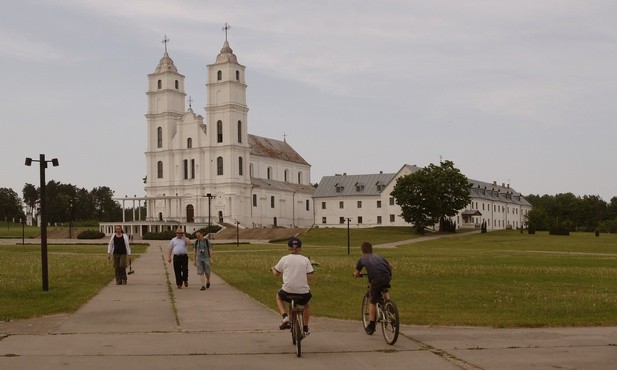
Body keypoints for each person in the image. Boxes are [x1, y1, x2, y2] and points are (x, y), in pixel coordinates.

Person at [271, 236, 314, 336]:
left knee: (278, 297)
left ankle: (285, 316)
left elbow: (277, 274)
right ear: (300, 248)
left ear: (288, 248)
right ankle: (306, 328)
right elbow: (310, 277)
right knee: (307, 305)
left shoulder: (284, 259)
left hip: (287, 291)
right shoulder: (305, 260)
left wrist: (273, 268)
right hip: (303, 293)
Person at [353, 241, 392, 335]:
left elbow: (357, 273)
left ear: (362, 251)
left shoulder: (362, 259)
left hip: (376, 279)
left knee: (372, 301)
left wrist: (356, 275)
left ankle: (371, 325)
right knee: (384, 289)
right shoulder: (379, 256)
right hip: (387, 276)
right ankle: (389, 307)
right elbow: (390, 266)